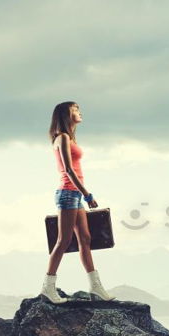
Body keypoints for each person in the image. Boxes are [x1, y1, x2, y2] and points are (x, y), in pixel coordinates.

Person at [39, 101, 115, 303]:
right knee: (63, 241)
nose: (79, 112)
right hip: (68, 194)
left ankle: (95, 287)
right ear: (65, 115)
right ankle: (48, 287)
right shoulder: (62, 138)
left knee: (86, 238)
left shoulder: (69, 138)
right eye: (75, 110)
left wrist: (82, 194)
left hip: (75, 195)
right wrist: (87, 194)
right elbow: (68, 170)